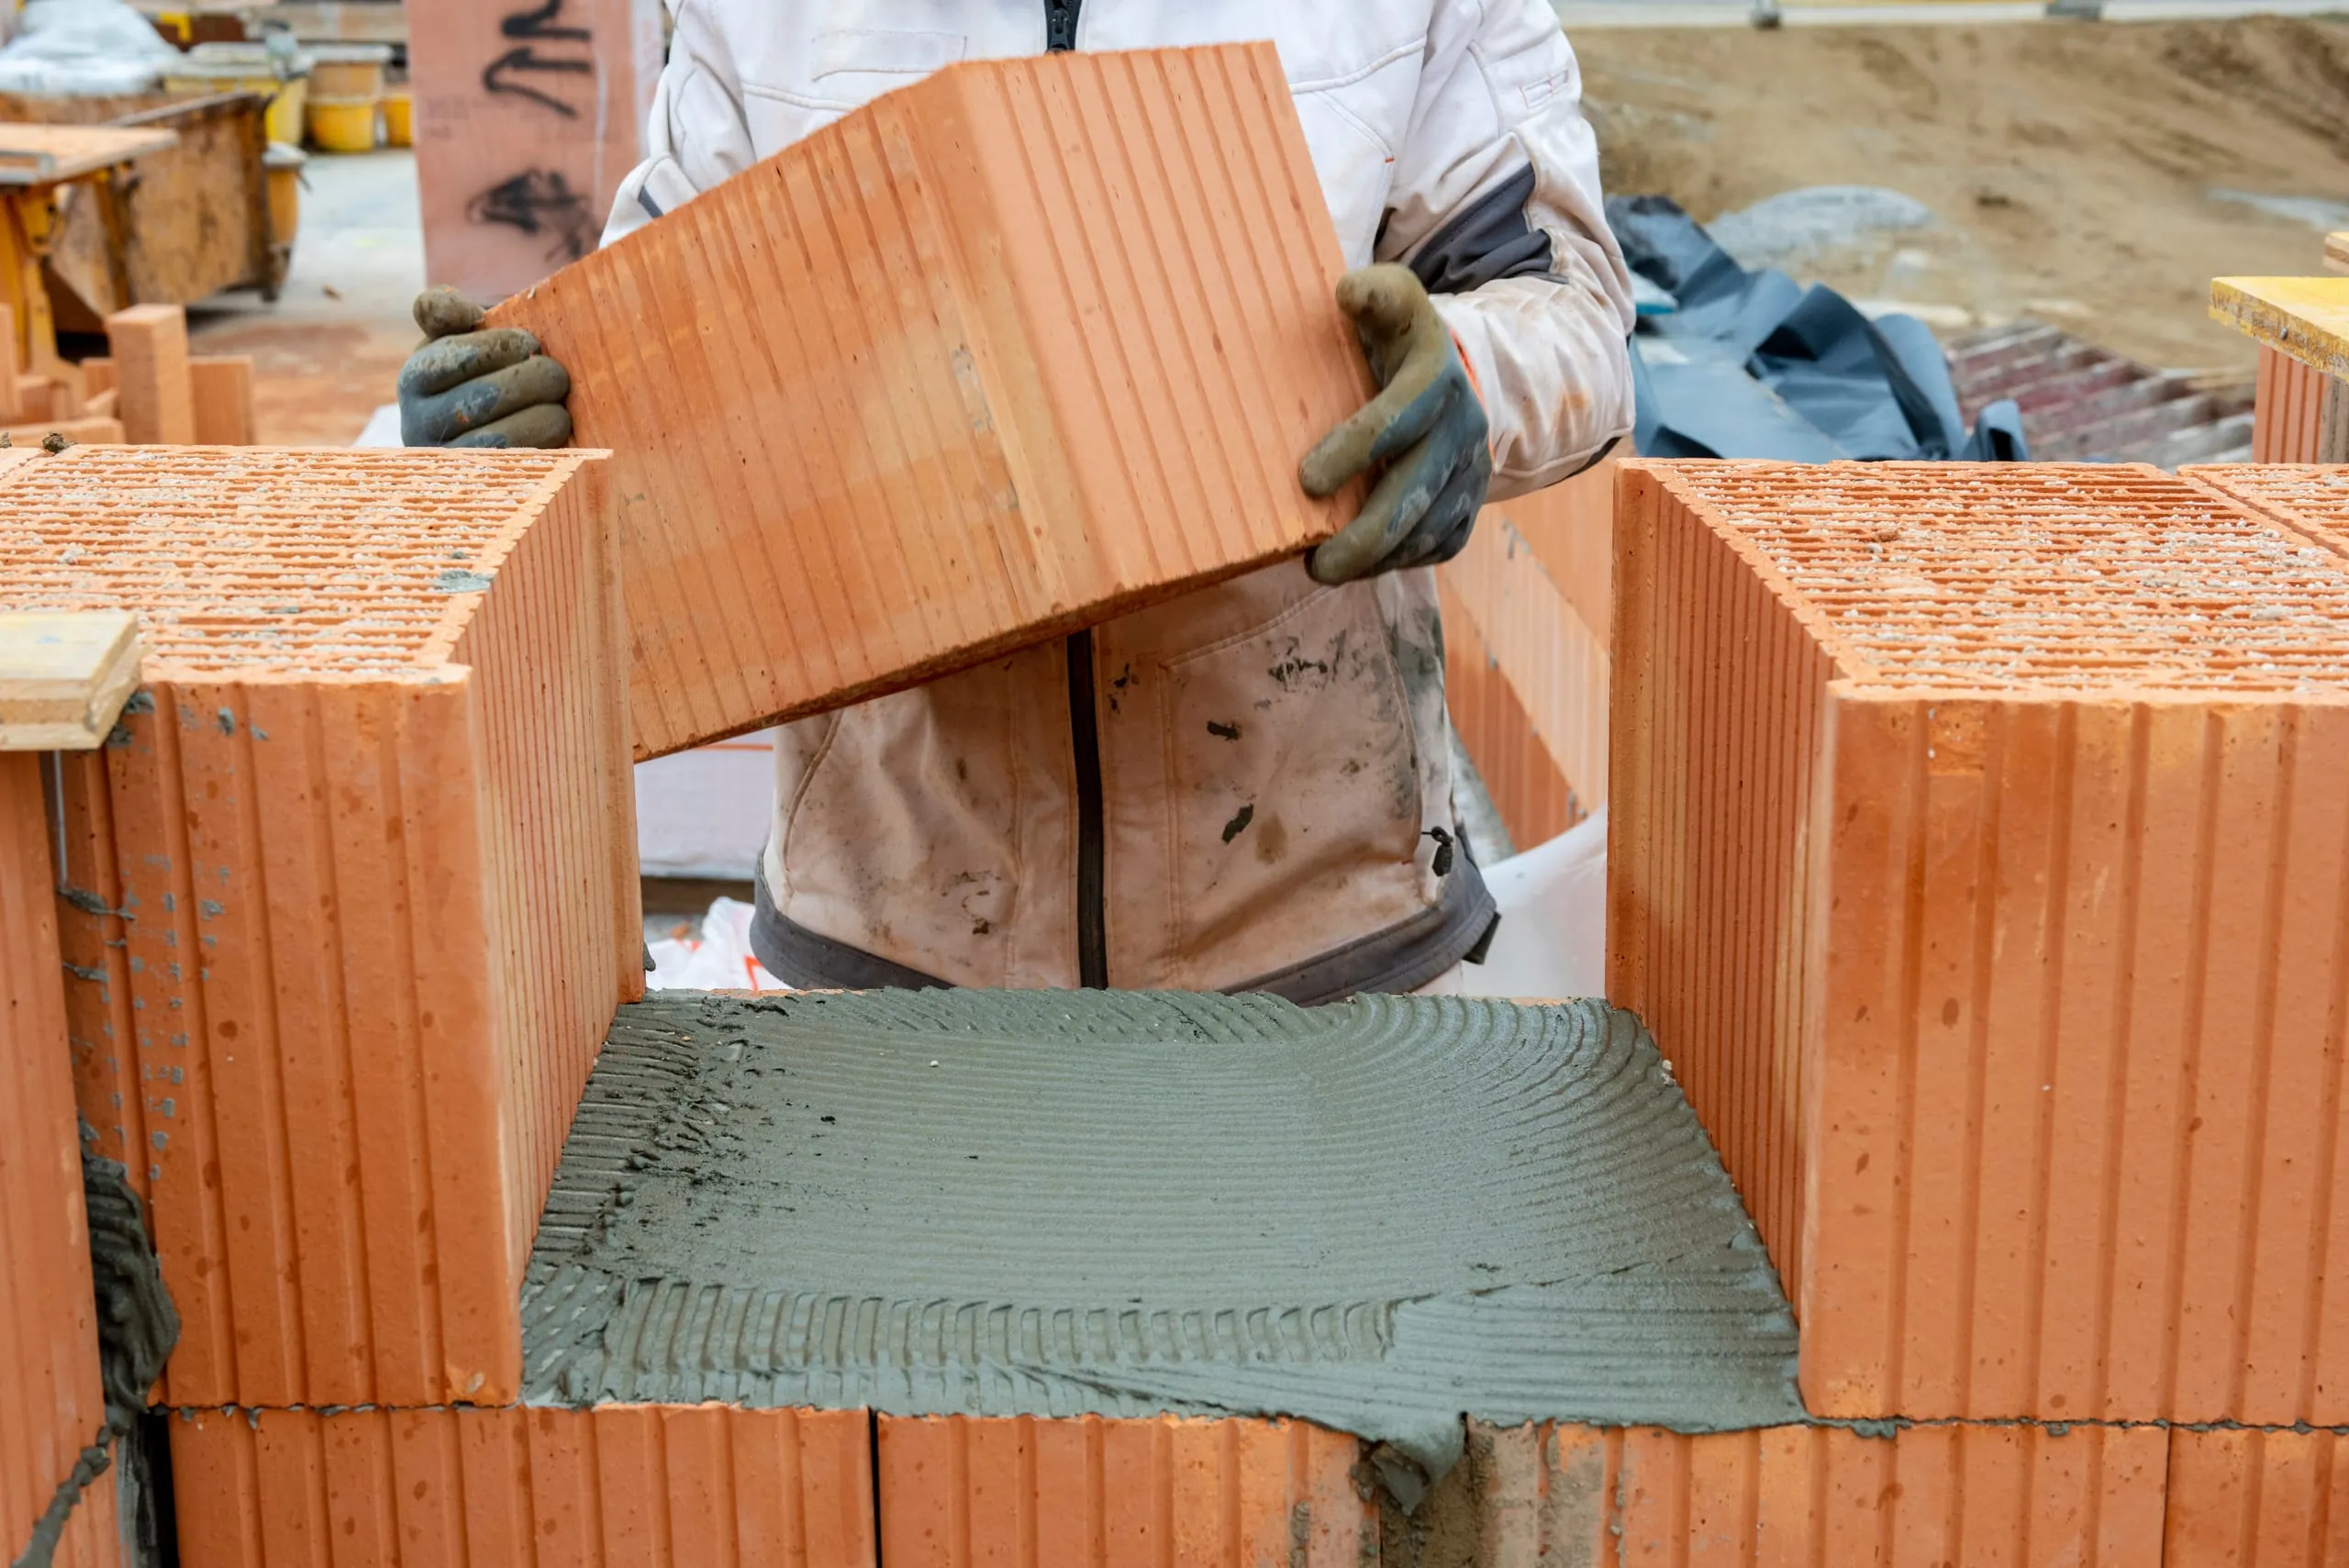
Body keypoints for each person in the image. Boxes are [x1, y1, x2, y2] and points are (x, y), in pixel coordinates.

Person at [399, 1, 1634, 999]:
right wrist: (538, 455)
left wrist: (1467, 380)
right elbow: (668, 369)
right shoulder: (762, 15)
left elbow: (1571, 315)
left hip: (1316, 915)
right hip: (891, 924)